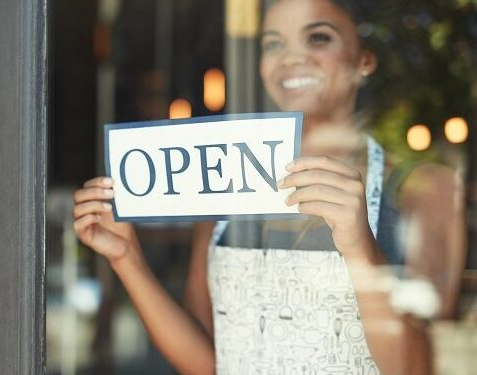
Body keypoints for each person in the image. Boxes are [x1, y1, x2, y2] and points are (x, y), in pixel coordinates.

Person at [72, 0, 465, 374]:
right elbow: (210, 365)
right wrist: (127, 258)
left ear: (366, 58)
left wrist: (360, 249)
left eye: (318, 37)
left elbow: (423, 368)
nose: (292, 56)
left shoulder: (421, 190)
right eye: (273, 43)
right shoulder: (225, 182)